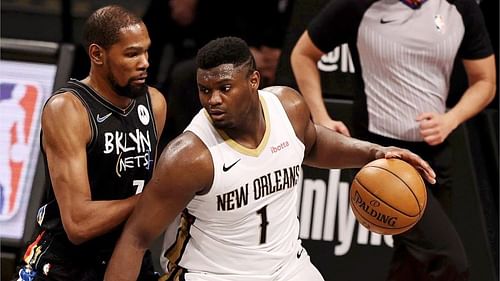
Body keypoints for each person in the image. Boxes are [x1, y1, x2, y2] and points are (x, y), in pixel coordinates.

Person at [104, 36, 435, 281]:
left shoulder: (287, 108)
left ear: (253, 81)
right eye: (205, 90)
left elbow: (315, 143)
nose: (213, 100)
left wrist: (374, 152)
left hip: (289, 268)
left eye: (224, 88)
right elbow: (136, 238)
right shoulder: (190, 157)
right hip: (213, 275)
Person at [290, 0, 497, 280]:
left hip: (435, 156)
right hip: (382, 159)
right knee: (448, 260)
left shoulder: (461, 7)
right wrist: (321, 118)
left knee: (413, 261)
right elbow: (303, 54)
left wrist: (451, 119)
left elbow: (485, 81)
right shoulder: (359, 5)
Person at [15, 5, 167, 281]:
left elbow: (146, 185)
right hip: (68, 265)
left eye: (146, 51)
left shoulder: (154, 103)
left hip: (129, 255)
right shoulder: (68, 109)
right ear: (97, 54)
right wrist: (156, 196)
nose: (144, 62)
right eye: (132, 53)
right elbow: (78, 223)